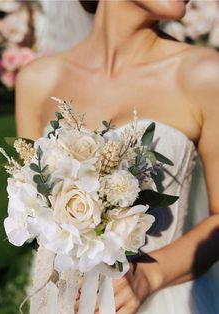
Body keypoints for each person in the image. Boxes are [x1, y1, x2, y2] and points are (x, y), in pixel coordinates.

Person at [15, 1, 219, 313]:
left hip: (164, 300)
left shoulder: (203, 74)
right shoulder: (37, 81)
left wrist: (149, 276)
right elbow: (29, 215)